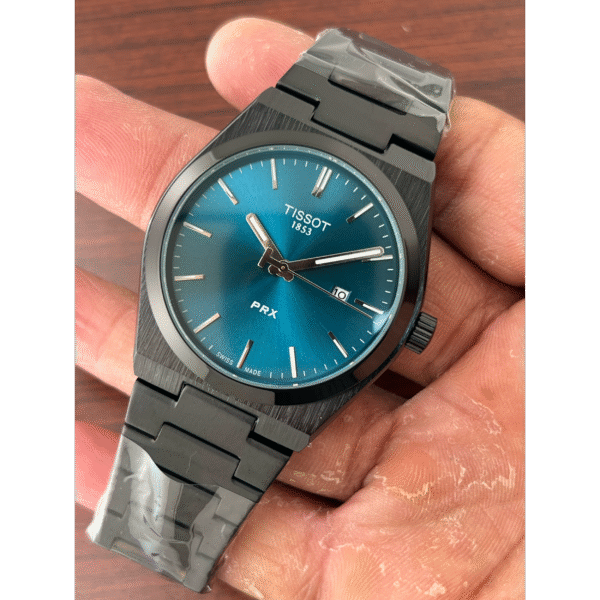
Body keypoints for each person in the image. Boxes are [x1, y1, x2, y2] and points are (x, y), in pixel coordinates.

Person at [75, 17, 524, 600]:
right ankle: (160, 537)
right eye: (277, 262)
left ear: (407, 327)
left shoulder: (377, 220)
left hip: (261, 372)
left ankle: (165, 539)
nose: (282, 270)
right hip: (213, 345)